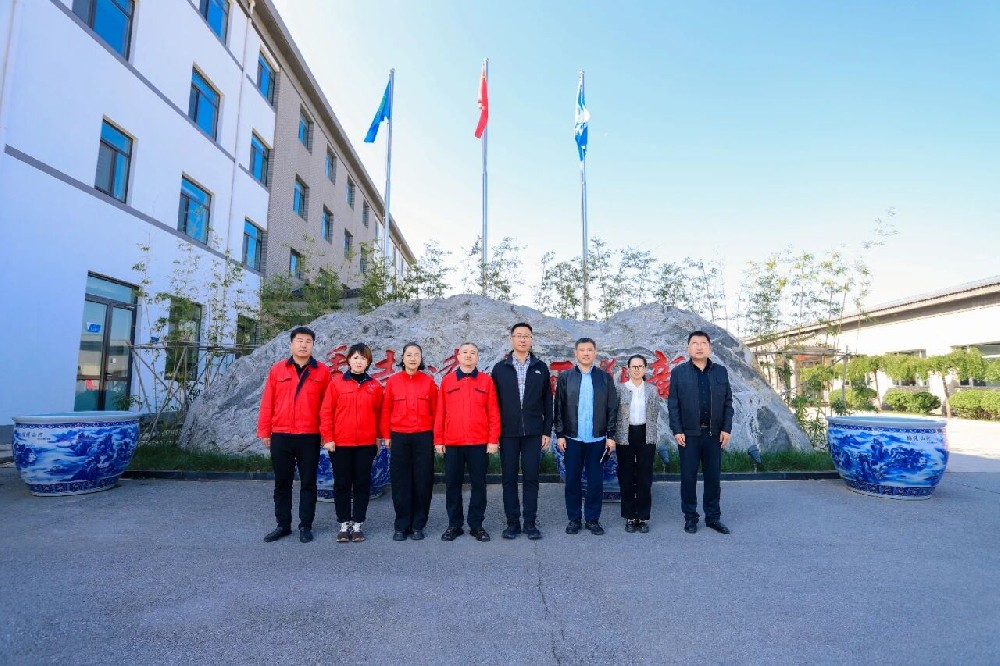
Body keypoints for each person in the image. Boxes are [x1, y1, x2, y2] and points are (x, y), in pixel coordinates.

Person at [257, 326, 332, 544]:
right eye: (299, 340)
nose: (303, 345)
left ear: (313, 345)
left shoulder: (322, 372)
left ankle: (306, 525)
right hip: (281, 434)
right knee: (282, 482)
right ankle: (283, 525)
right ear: (291, 344)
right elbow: (267, 402)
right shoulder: (278, 370)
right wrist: (265, 431)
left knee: (308, 482)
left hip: (309, 435)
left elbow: (327, 407)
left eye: (308, 341)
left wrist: (326, 433)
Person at [667, 330, 734, 535]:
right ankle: (690, 517)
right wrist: (677, 430)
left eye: (703, 343)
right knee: (688, 478)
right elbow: (673, 404)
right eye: (694, 343)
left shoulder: (720, 372)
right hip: (689, 435)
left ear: (709, 347)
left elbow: (728, 403)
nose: (699, 346)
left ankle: (713, 517)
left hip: (714, 435)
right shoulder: (679, 373)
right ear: (688, 348)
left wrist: (726, 428)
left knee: (713, 478)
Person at [434, 342, 500, 542]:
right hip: (453, 442)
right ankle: (454, 525)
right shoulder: (447, 381)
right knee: (452, 485)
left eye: (473, 353)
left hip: (478, 442)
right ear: (458, 356)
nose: (469, 355)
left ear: (477, 357)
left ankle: (476, 525)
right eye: (465, 352)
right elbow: (440, 412)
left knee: (479, 485)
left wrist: (492, 440)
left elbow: (493, 412)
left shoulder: (486, 381)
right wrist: (439, 439)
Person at [491, 323, 552, 540]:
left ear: (532, 340)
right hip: (507, 433)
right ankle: (512, 523)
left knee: (531, 478)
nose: (523, 339)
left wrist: (547, 431)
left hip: (533, 433)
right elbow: (493, 405)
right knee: (508, 479)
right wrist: (494, 434)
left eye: (527, 336)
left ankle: (530, 523)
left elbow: (548, 402)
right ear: (512, 339)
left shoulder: (540, 367)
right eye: (518, 335)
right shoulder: (500, 368)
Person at [320, 343, 384, 543]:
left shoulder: (375, 386)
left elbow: (379, 414)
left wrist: (378, 438)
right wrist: (328, 438)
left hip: (366, 444)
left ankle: (357, 525)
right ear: (348, 360)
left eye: (363, 358)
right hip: (340, 443)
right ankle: (343, 524)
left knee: (362, 483)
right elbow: (326, 412)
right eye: (355, 357)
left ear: (368, 362)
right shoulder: (336, 384)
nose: (359, 361)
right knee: (342, 484)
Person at [554, 337, 618, 535]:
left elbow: (612, 408)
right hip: (572, 438)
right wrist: (560, 434)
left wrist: (610, 435)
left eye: (589, 349)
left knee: (595, 482)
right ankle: (574, 519)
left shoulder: (604, 378)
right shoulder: (566, 377)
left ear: (595, 352)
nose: (586, 353)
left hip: (597, 439)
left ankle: (592, 519)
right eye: (582, 350)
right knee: (572, 481)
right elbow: (559, 407)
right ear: (576, 353)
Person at [381, 342, 438, 541]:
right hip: (399, 436)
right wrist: (386, 436)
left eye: (417, 355)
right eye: (409, 355)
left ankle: (418, 525)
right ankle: (401, 524)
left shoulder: (428, 382)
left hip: (423, 436)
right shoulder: (393, 381)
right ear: (403, 359)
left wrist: (437, 438)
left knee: (423, 480)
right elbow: (386, 410)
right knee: (400, 481)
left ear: (421, 359)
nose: (413, 358)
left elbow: (436, 412)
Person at [614, 355, 664, 533]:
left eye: (640, 366)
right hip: (625, 434)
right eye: (633, 366)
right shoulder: (620, 389)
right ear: (628, 369)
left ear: (645, 369)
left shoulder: (651, 389)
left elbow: (654, 413)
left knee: (644, 477)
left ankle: (642, 517)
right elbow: (614, 413)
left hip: (646, 434)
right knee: (626, 476)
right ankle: (629, 516)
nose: (636, 369)